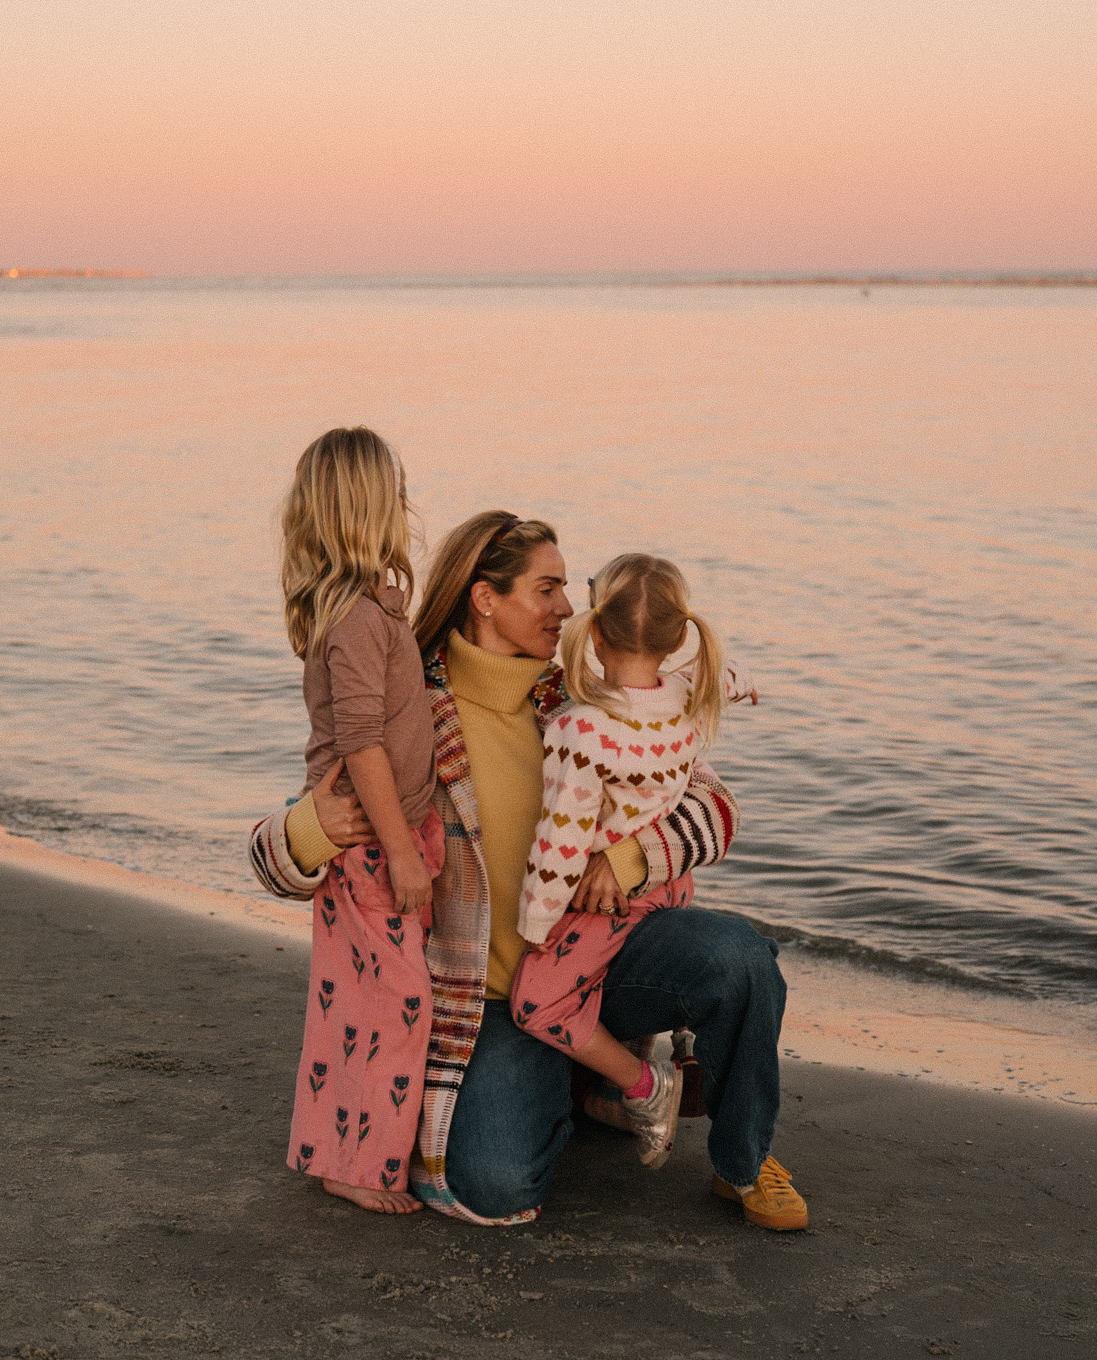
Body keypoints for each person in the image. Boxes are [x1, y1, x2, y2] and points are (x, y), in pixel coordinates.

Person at [250, 511, 805, 1231]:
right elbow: (273, 865)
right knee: (497, 1185)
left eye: (567, 589)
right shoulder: (409, 714)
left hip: (608, 958)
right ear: (486, 598)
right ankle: (581, 1083)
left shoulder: (578, 696)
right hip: (495, 1002)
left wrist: (627, 858)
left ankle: (744, 1161)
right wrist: (311, 827)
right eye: (546, 590)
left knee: (740, 959)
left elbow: (714, 802)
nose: (569, 608)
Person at [510, 552, 753, 1169]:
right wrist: (748, 684)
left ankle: (649, 1088)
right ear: (678, 638)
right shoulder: (688, 692)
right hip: (672, 886)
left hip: (609, 901)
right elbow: (729, 677)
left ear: (593, 628)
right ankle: (656, 1062)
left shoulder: (584, 729)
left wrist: (535, 928)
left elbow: (562, 844)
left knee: (537, 1004)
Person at [277, 428, 442, 1214]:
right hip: (369, 845)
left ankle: (348, 1145)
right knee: (389, 1007)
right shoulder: (355, 621)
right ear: (374, 508)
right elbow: (361, 740)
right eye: (396, 494)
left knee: (363, 1002)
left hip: (383, 837)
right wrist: (404, 851)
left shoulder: (374, 609)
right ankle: (353, 1162)